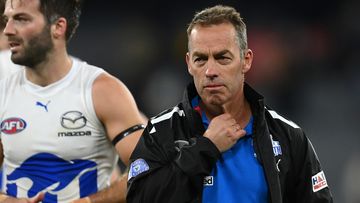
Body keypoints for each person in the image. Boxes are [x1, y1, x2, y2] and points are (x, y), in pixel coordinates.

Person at [127, 5, 333, 203]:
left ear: (246, 60)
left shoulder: (288, 136)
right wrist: (205, 148)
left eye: (222, 58)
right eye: (200, 59)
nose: (210, 71)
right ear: (189, 63)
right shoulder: (161, 132)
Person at [0, 0, 146, 202]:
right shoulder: (3, 92)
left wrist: (90, 202)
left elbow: (149, 168)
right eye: (7, 20)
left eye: (21, 19)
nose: (8, 30)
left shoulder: (102, 91)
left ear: (58, 27)